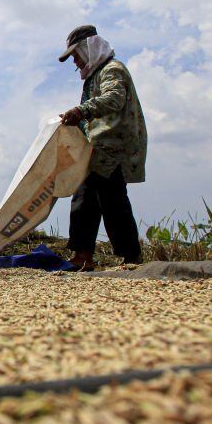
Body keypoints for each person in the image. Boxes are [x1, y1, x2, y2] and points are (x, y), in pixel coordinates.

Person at [58, 25, 147, 271]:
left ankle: (130, 257)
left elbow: (114, 99)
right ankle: (83, 254)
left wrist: (81, 111)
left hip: (114, 147)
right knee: (86, 197)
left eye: (76, 55)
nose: (75, 61)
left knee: (112, 200)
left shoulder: (112, 69)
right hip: (98, 148)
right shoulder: (94, 76)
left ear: (89, 48)